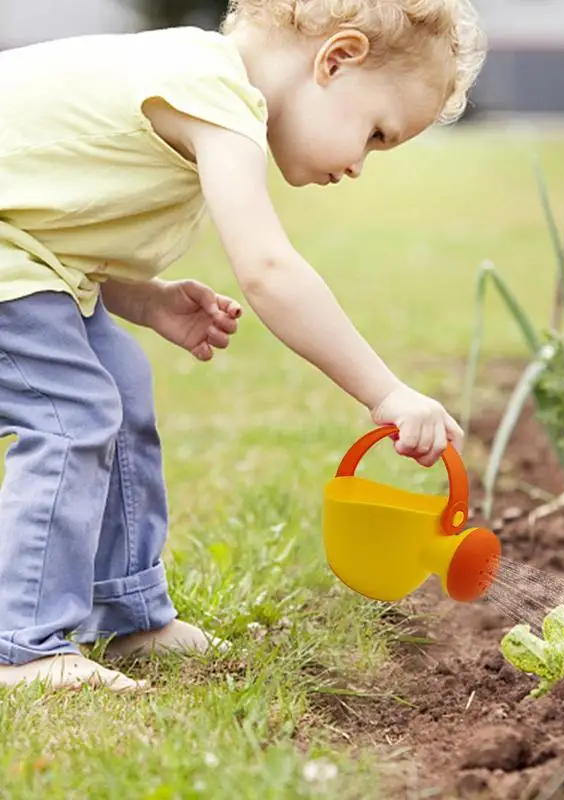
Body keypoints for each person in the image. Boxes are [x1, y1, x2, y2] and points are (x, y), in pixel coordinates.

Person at [0, 0, 487, 691]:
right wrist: (386, 391)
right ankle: (24, 646)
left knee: (123, 384)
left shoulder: (196, 85)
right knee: (71, 412)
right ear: (336, 58)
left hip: (22, 259)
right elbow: (269, 272)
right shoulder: (215, 92)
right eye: (377, 134)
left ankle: (127, 610)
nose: (359, 166)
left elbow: (48, 211)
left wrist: (149, 297)